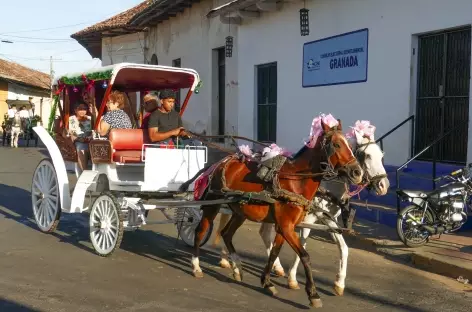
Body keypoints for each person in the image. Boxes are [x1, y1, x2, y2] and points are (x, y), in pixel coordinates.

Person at [69, 102, 93, 171]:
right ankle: (84, 170)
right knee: (81, 146)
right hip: (78, 140)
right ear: (75, 110)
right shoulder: (72, 119)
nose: (83, 111)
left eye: (84, 109)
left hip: (89, 139)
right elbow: (72, 132)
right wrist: (80, 139)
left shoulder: (89, 118)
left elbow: (92, 130)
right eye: (80, 109)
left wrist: (89, 137)